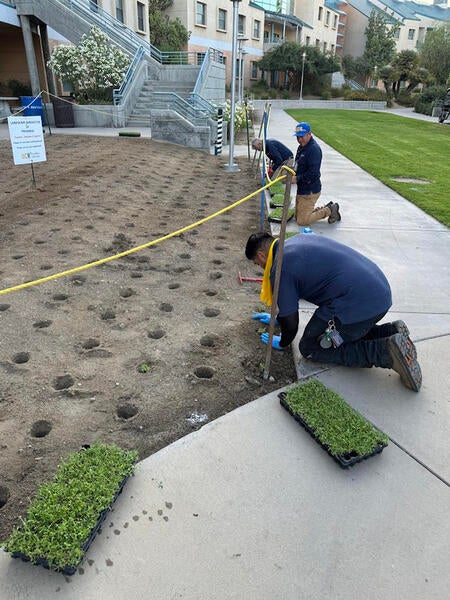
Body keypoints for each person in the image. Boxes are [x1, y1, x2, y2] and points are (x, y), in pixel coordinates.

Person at [246, 231, 422, 392]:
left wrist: (284, 341)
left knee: (311, 347)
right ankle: (390, 333)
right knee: (342, 332)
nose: (261, 267)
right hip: (378, 293)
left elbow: (291, 324)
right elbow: (293, 294)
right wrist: (279, 318)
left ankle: (385, 352)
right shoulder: (296, 241)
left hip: (357, 303)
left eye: (257, 263)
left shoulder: (281, 267)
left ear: (261, 255)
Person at [293, 122, 341, 226]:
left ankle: (330, 210)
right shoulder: (301, 146)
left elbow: (313, 174)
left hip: (310, 191)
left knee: (302, 221)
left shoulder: (314, 150)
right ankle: (328, 207)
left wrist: (296, 179)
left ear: (309, 134)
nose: (299, 140)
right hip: (302, 189)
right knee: (296, 217)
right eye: (297, 137)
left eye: (302, 137)